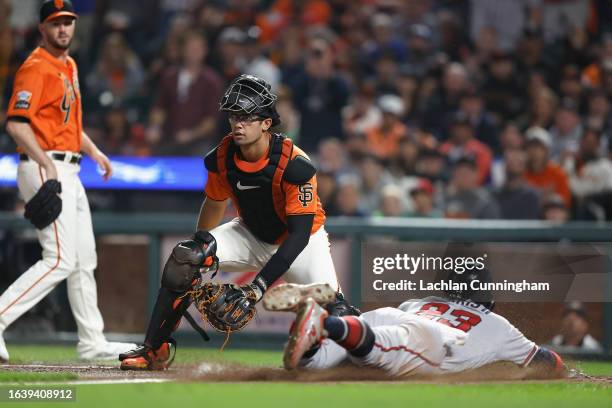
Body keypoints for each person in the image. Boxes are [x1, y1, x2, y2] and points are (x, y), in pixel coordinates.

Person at [119, 74, 358, 370]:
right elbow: (214, 203)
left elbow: (298, 236)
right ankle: (154, 349)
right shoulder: (223, 155)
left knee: (338, 314)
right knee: (185, 257)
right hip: (250, 234)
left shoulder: (295, 164)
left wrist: (256, 289)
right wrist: (197, 258)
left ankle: (368, 354)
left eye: (246, 117)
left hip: (301, 242)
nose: (238, 124)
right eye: (234, 116)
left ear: (266, 123)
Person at [0, 0, 136, 362]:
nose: (63, 29)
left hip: (70, 167)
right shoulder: (35, 67)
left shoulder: (70, 65)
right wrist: (45, 161)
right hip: (43, 167)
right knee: (59, 259)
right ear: (42, 28)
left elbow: (68, 127)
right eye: (56, 23)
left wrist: (95, 152)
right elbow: (15, 123)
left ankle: (92, 341)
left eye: (68, 22)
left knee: (83, 259)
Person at [265, 270, 565, 378]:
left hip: (391, 315)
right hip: (431, 338)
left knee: (310, 367)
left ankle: (323, 322)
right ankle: (328, 322)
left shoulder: (424, 299)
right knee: (378, 351)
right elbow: (549, 362)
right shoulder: (499, 325)